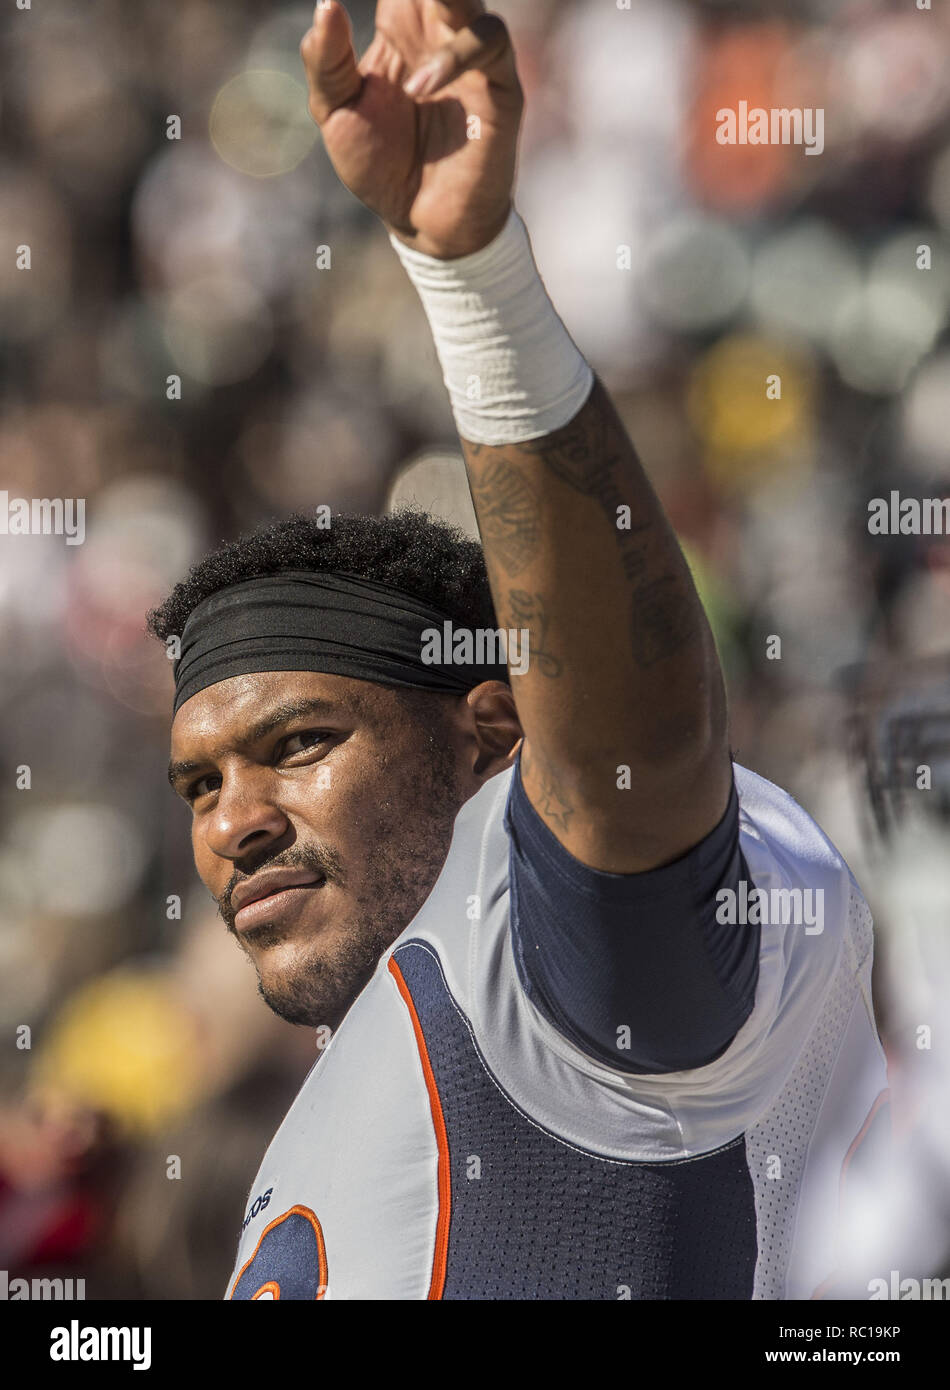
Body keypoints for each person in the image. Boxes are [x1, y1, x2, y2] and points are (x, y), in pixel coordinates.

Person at [149, 0, 888, 1299]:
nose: (235, 822)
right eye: (199, 783)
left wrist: (475, 276)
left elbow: (634, 759)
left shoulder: (551, 976)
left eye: (297, 743)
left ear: (493, 733)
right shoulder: (352, 1080)